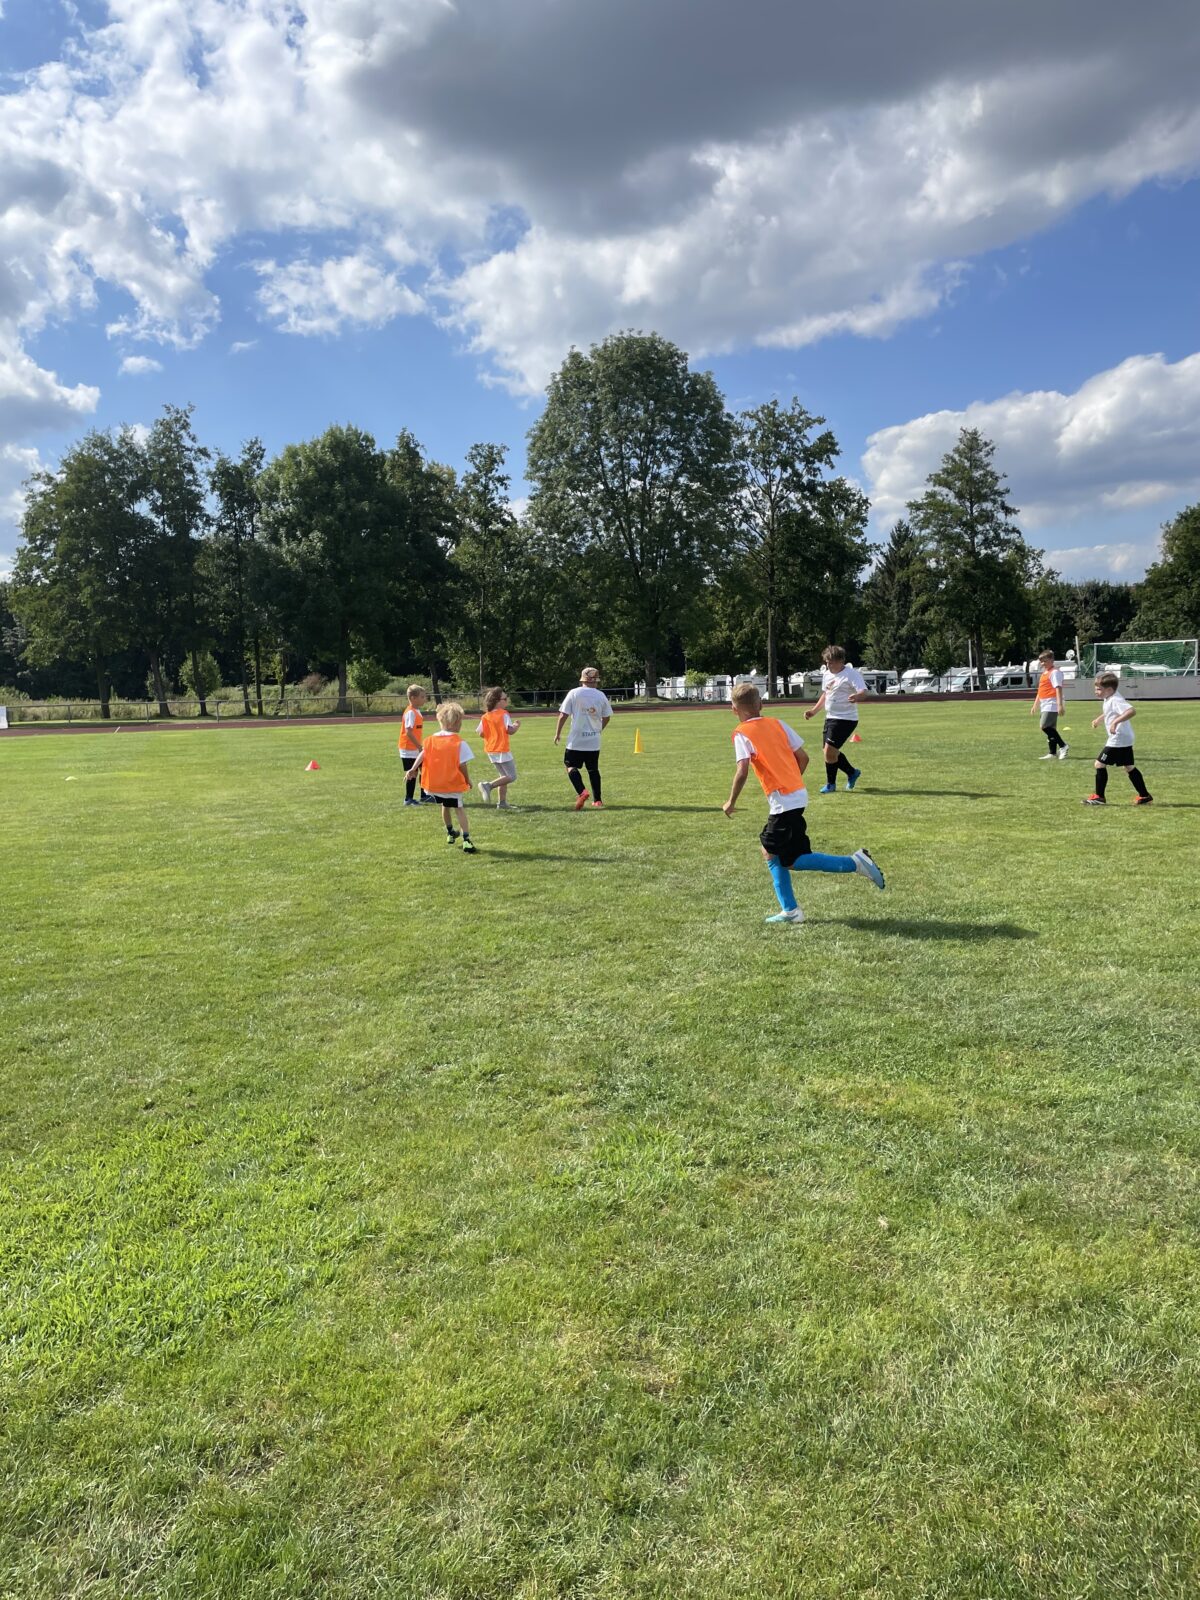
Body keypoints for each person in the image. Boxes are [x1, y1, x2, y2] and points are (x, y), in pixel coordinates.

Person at [723, 681, 885, 924]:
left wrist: (730, 801)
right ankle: (794, 908)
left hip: (783, 800)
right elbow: (804, 757)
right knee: (791, 858)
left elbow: (742, 770)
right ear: (761, 704)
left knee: (770, 851)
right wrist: (791, 780)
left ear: (734, 710)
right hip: (797, 794)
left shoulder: (741, 733)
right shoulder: (778, 723)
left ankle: (850, 866)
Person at [405, 701, 478, 851]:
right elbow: (462, 765)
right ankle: (466, 839)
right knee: (459, 808)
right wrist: (467, 779)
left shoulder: (431, 739)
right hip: (451, 783)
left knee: (445, 805)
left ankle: (450, 832)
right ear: (456, 722)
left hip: (435, 785)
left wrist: (412, 769)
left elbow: (422, 755)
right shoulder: (459, 742)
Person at [804, 645, 866, 793]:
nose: (828, 665)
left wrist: (857, 696)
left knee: (829, 751)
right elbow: (826, 695)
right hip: (830, 717)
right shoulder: (827, 674)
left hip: (846, 719)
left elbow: (863, 691)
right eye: (827, 662)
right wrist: (813, 711)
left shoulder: (851, 674)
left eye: (831, 662)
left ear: (841, 661)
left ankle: (831, 784)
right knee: (831, 752)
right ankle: (852, 772)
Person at [1083, 674, 1152, 806]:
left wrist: (1115, 722)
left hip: (1118, 739)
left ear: (1109, 690)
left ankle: (1099, 797)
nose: (1096, 691)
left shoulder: (1115, 699)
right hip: (1124, 738)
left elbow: (1131, 711)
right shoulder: (1109, 698)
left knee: (1099, 764)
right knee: (1129, 767)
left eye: (1099, 689)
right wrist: (1099, 719)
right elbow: (1110, 712)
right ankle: (1144, 796)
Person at [554, 666, 612, 809]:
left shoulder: (574, 693)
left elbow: (563, 715)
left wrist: (558, 733)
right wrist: (599, 730)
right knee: (593, 770)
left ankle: (582, 791)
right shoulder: (601, 695)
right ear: (596, 680)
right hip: (593, 740)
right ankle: (597, 800)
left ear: (582, 679)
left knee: (570, 765)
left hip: (576, 739)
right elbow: (606, 717)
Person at [477, 687, 521, 809]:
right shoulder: (503, 713)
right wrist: (517, 725)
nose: (507, 701)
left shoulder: (486, 716)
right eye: (505, 699)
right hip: (502, 749)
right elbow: (510, 730)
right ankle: (488, 785)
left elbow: (480, 733)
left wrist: (492, 732)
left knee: (503, 776)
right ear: (497, 701)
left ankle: (502, 803)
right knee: (511, 776)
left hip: (491, 749)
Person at [1029, 649, 1068, 759]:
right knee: (1051, 729)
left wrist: (1060, 705)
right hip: (1045, 703)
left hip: (1052, 703)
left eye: (1045, 661)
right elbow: (1040, 691)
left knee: (1044, 726)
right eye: (1041, 661)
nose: (1042, 663)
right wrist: (1035, 705)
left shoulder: (1055, 672)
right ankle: (1052, 753)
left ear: (1051, 660)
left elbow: (1058, 688)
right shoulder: (1044, 673)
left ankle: (1063, 745)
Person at [398, 684, 428, 806]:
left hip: (414, 748)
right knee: (413, 772)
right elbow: (408, 732)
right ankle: (408, 798)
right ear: (413, 698)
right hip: (408, 748)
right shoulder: (410, 712)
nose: (424, 699)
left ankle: (424, 795)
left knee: (424, 769)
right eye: (422, 697)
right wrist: (419, 746)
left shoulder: (416, 711)